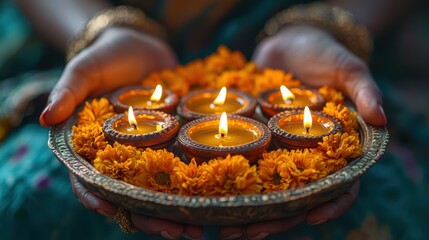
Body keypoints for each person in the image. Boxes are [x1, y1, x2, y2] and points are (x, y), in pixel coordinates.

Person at [5, 0, 425, 239]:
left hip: (309, 62)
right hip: (99, 52)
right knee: (27, 202)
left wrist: (327, 26)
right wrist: (100, 31)